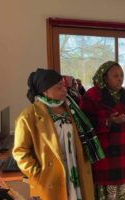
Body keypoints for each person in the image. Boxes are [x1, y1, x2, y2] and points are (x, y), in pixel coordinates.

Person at [13, 68, 103, 200]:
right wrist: (38, 175)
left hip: (75, 171)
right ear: (45, 91)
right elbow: (20, 152)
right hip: (50, 178)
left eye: (64, 85)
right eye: (59, 87)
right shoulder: (28, 116)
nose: (65, 90)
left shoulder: (71, 109)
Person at [80, 61, 125, 200]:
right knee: (106, 191)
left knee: (124, 190)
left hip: (123, 150)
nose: (120, 79)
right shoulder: (92, 95)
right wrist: (108, 121)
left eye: (121, 75)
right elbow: (84, 124)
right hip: (104, 152)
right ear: (104, 77)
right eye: (115, 75)